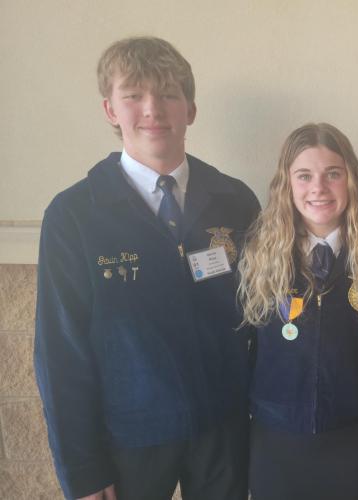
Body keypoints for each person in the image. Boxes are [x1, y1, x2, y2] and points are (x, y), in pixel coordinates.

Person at [34, 37, 260, 500]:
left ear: (191, 109)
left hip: (224, 431)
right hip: (128, 439)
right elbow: (60, 354)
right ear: (110, 110)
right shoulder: (74, 214)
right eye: (134, 95)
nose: (153, 109)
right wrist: (83, 469)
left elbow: (259, 316)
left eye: (169, 94)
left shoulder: (235, 201)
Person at [237, 123, 358, 500]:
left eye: (333, 174)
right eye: (304, 175)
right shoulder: (258, 254)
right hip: (276, 436)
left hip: (349, 435)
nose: (319, 188)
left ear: (351, 181)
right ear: (286, 184)